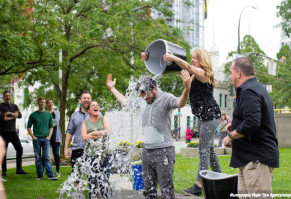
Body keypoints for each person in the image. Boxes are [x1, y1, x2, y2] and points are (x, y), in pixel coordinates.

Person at [106, 70, 191, 199]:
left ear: (154, 89)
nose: (144, 98)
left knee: (166, 190)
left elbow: (181, 103)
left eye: (146, 94)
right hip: (147, 151)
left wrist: (187, 88)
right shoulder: (143, 100)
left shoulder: (166, 98)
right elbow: (125, 102)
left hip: (164, 151)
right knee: (148, 190)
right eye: (142, 95)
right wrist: (112, 89)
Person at [164, 49, 222, 196]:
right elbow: (174, 67)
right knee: (209, 149)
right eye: (192, 58)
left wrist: (174, 57)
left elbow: (187, 67)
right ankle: (219, 178)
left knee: (203, 149)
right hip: (203, 116)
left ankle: (199, 184)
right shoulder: (192, 75)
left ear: (203, 60)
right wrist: (151, 57)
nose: (192, 60)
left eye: (195, 58)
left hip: (211, 115)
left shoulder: (203, 74)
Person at [223, 57, 279, 197]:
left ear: (238, 73)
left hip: (256, 161)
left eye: (231, 72)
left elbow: (252, 122)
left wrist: (230, 137)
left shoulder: (249, 91)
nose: (230, 76)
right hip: (248, 160)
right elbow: (251, 118)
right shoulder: (254, 89)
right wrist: (235, 125)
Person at [81, 101, 112, 199]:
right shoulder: (85, 123)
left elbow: (108, 131)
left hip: (105, 154)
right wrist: (100, 133)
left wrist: (94, 133)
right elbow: (84, 137)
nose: (96, 106)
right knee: (92, 182)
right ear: (89, 110)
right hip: (91, 155)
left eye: (97, 105)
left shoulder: (104, 118)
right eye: (93, 105)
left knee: (104, 181)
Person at [27, 97, 58, 180]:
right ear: (38, 103)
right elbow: (29, 127)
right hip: (36, 139)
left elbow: (51, 127)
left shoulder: (48, 114)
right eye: (41, 102)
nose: (43, 104)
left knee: (47, 157)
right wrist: (33, 137)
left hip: (46, 139)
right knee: (38, 158)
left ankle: (50, 175)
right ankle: (40, 175)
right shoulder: (33, 115)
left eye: (44, 102)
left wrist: (49, 137)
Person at [0, 91, 28, 177]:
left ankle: (19, 169)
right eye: (6, 96)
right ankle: (4, 171)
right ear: (3, 97)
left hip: (13, 132)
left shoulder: (14, 106)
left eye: (9, 96)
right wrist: (13, 116)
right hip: (3, 132)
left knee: (19, 149)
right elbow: (2, 118)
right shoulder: (0, 106)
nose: (8, 97)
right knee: (4, 152)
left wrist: (9, 114)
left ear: (10, 96)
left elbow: (19, 115)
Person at [64, 90, 92, 169]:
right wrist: (66, 148)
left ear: (91, 100)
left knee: (93, 178)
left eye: (88, 98)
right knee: (76, 177)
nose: (86, 99)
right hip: (77, 149)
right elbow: (69, 132)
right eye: (84, 98)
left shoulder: (96, 114)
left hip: (92, 150)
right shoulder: (74, 116)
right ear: (80, 100)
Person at [46, 99, 62, 177]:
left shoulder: (57, 112)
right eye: (48, 103)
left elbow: (56, 122)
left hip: (55, 135)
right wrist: (50, 121)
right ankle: (48, 170)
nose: (50, 104)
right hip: (46, 134)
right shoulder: (44, 112)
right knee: (46, 154)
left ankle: (58, 170)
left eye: (51, 102)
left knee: (56, 153)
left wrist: (48, 121)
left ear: (53, 103)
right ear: (46, 104)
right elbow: (45, 122)